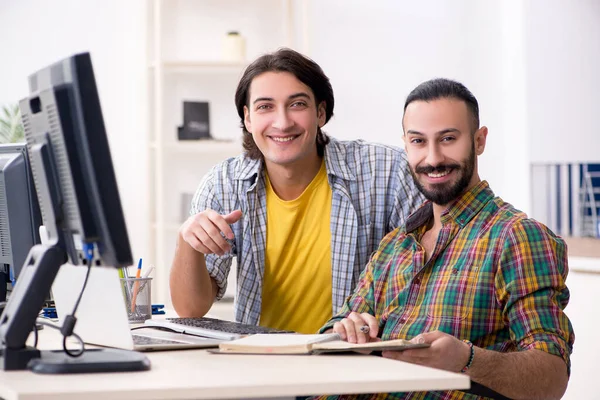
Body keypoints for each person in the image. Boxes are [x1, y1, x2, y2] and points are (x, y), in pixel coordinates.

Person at [319, 78, 575, 399]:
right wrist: (344, 331)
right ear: (406, 146)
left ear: (479, 141)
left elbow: (551, 380)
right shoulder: (394, 245)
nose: (433, 158)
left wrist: (466, 360)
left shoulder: (517, 237)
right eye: (418, 142)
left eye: (448, 138)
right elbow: (342, 320)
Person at [170, 48, 423, 334]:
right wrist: (186, 239)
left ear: (321, 112)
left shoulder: (387, 172)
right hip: (259, 360)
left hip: (354, 359)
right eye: (265, 106)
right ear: (248, 117)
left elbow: (431, 275)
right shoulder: (223, 184)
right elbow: (190, 309)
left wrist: (380, 318)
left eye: (297, 104)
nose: (282, 122)